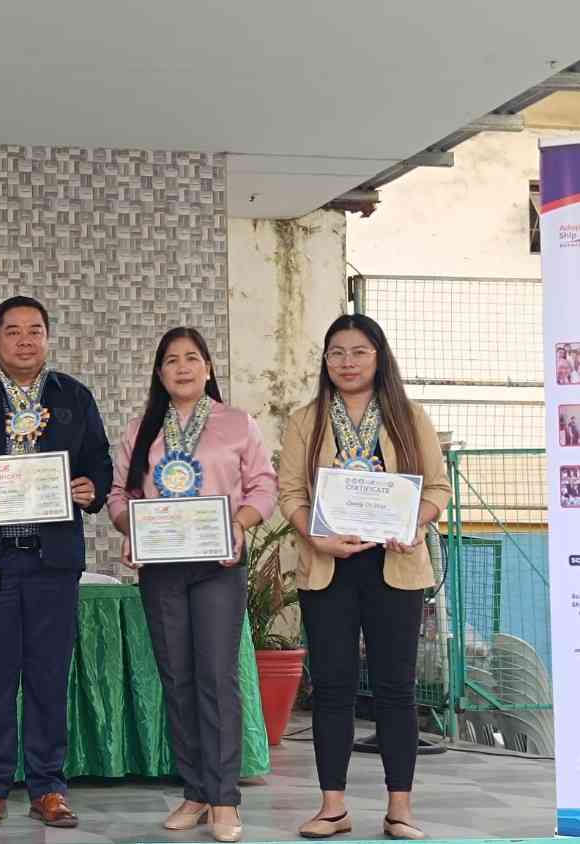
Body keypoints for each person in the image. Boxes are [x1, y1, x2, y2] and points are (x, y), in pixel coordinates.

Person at [0, 295, 113, 829]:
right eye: (13, 331)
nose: (25, 340)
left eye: (35, 330)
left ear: (48, 338)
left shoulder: (73, 396)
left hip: (53, 561)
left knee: (48, 677)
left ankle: (48, 787)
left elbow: (100, 461)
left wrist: (92, 488)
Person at [278, 314, 451, 842]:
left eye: (358, 352)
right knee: (332, 687)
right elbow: (291, 494)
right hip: (328, 568)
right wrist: (317, 536)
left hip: (395, 568)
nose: (347, 362)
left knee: (396, 688)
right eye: (336, 352)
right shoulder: (306, 420)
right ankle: (333, 807)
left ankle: (400, 808)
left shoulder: (409, 417)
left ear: (379, 357)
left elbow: (437, 489)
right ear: (325, 361)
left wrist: (414, 523)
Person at [106, 327, 278, 843]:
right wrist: (131, 528)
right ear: (159, 373)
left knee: (217, 678)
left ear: (208, 368)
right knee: (177, 678)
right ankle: (196, 790)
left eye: (191, 358)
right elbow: (119, 494)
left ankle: (224, 798)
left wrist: (240, 524)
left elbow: (263, 485)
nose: (182, 367)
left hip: (218, 565)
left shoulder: (237, 423)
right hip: (161, 568)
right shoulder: (141, 429)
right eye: (171, 360)